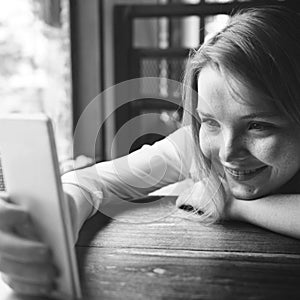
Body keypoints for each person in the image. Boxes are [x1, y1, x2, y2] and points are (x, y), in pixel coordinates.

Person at [1, 5, 300, 296]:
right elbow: (96, 181)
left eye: (258, 126)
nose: (227, 152)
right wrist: (59, 211)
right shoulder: (191, 145)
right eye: (210, 122)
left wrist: (234, 206)